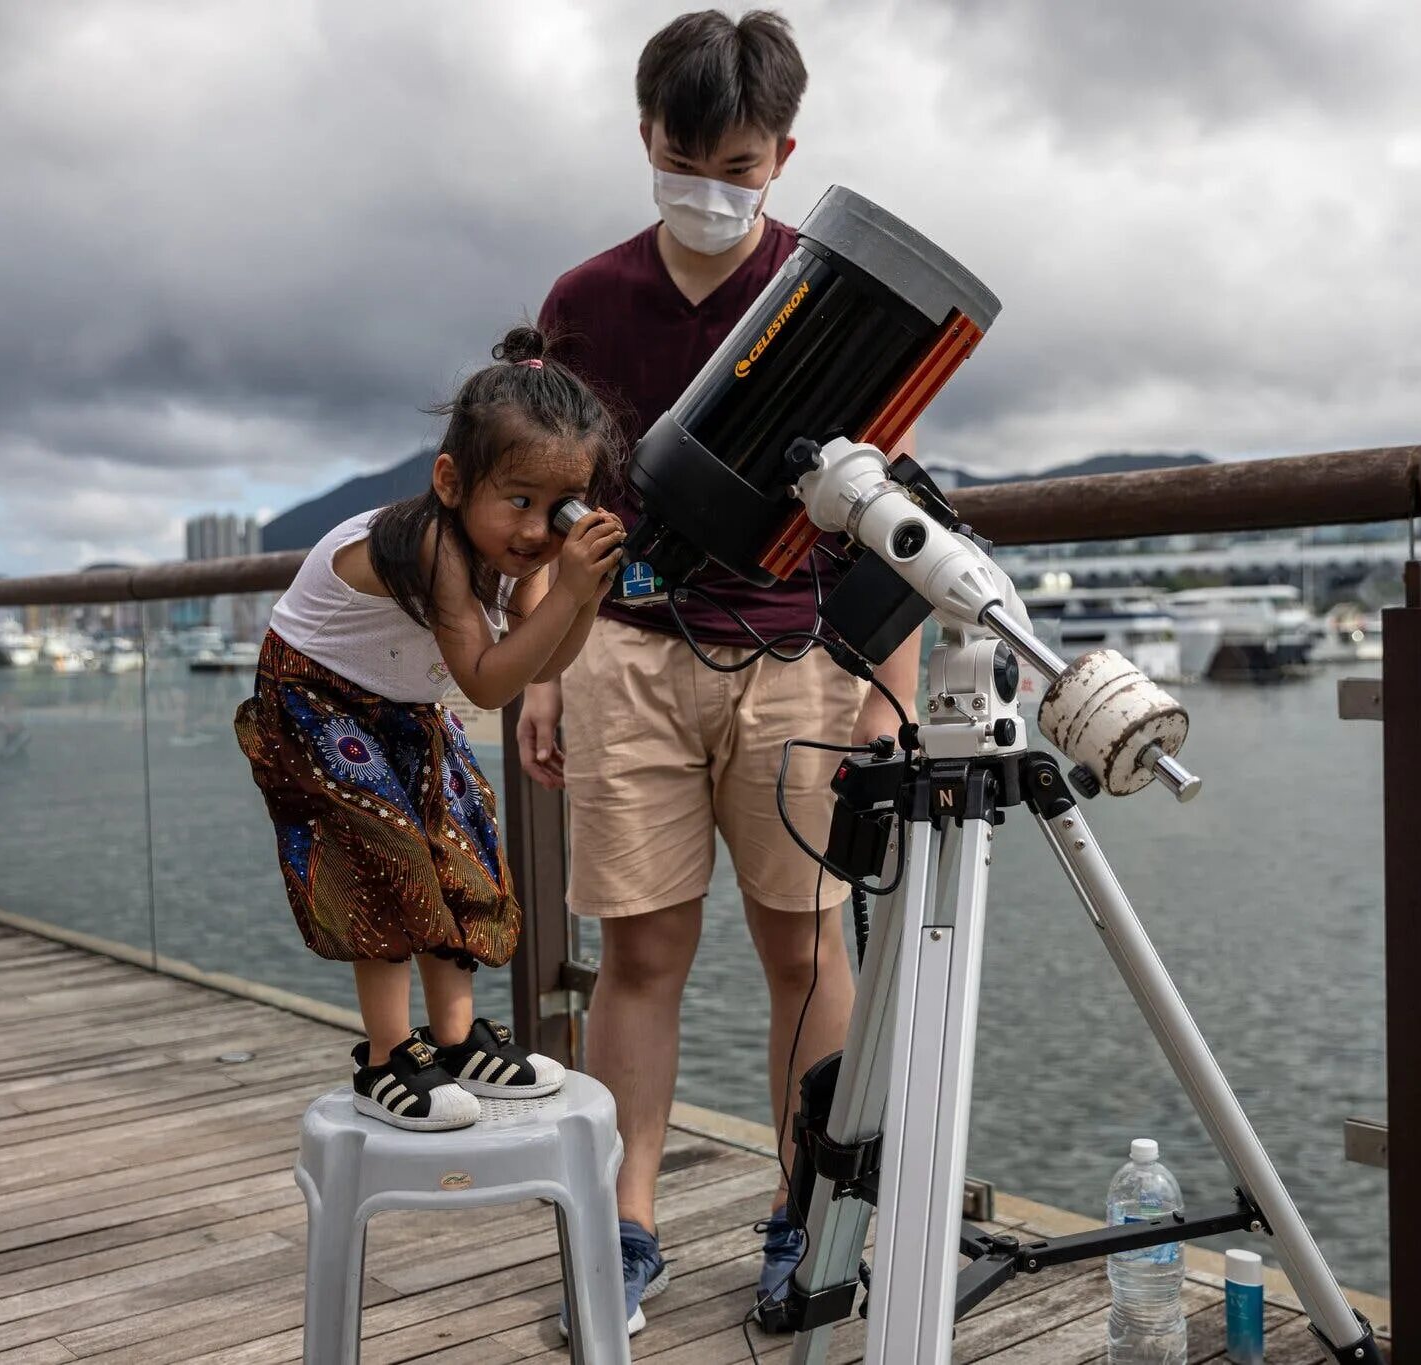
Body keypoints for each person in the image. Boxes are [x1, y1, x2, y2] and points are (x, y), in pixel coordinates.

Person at [526, 8, 921, 1333]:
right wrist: (538, 667)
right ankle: (622, 1228)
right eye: (687, 159)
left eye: (741, 166)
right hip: (624, 652)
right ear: (647, 138)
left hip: (793, 661)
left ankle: (806, 1220)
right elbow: (554, 500)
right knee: (640, 950)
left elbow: (892, 500)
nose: (711, 189)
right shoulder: (584, 302)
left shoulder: (824, 297)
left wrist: (895, 688)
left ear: (784, 155)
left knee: (805, 947)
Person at [235, 326, 627, 1134]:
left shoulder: (527, 557)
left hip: (402, 705)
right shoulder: (432, 543)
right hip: (315, 700)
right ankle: (387, 1056)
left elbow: (545, 661)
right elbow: (488, 678)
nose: (535, 530)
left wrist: (581, 592)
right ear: (451, 480)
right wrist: (567, 589)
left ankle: (455, 1042)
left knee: (461, 848)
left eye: (558, 509)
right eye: (516, 501)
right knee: (386, 856)